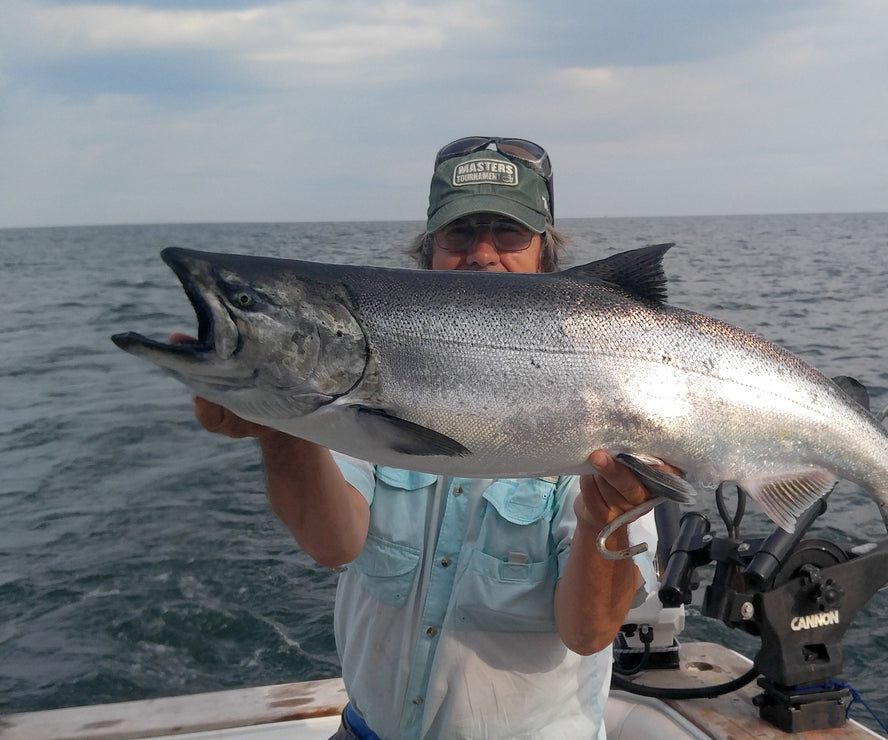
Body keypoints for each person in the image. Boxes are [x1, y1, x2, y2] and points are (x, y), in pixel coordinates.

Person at [181, 136, 663, 739]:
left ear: (546, 255)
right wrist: (277, 422)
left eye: (508, 234)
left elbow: (588, 635)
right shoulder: (371, 382)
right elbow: (334, 542)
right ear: (428, 250)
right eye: (459, 234)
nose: (482, 254)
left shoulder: (613, 387)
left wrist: (602, 522)